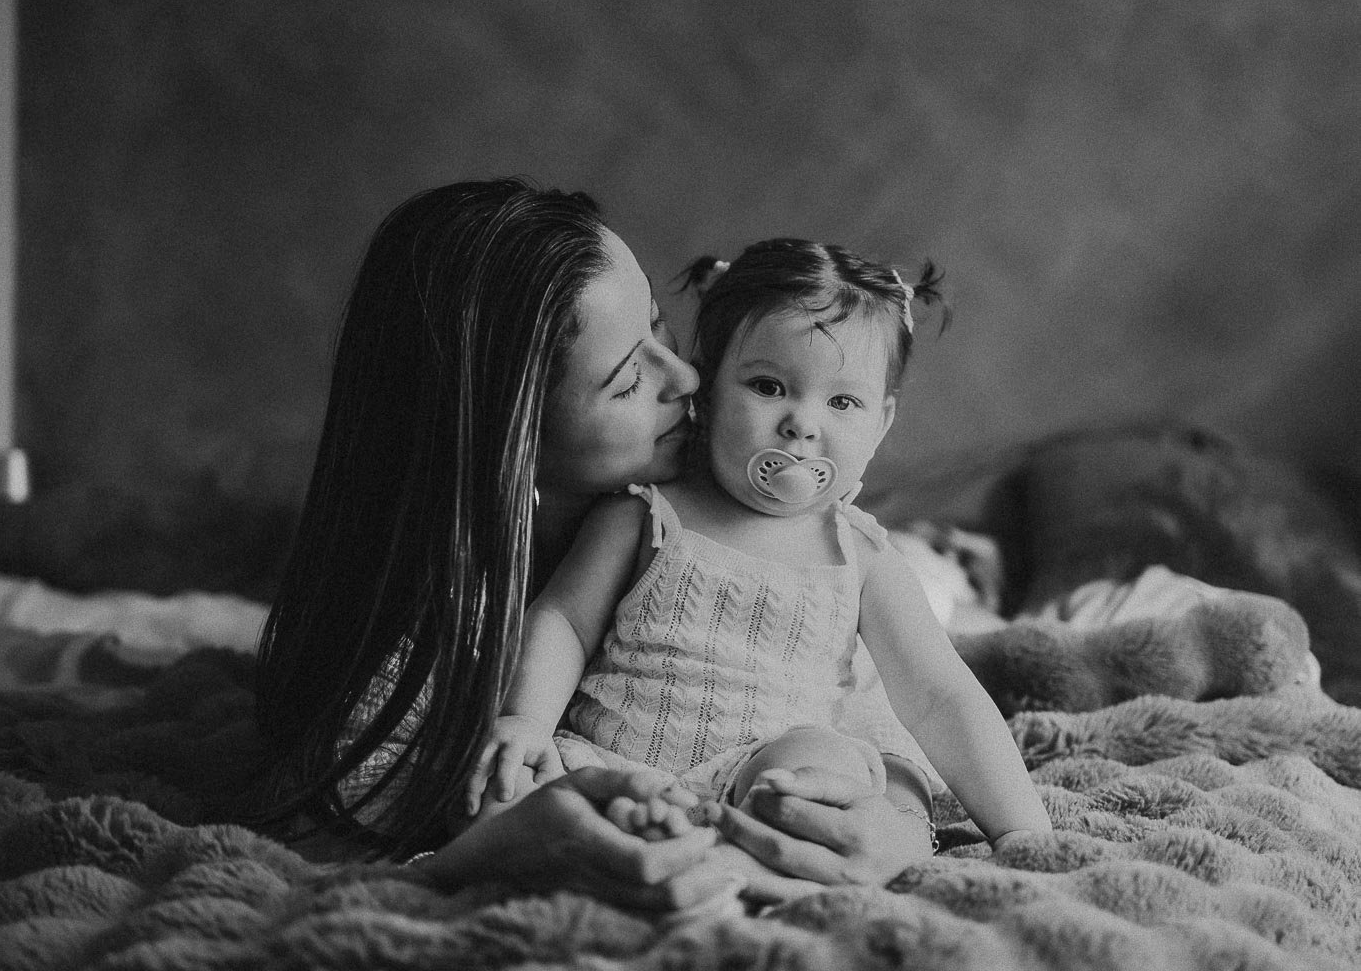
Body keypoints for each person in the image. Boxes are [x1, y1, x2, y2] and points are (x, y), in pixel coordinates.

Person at [253, 180, 925, 910]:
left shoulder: (732, 512)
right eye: (631, 379)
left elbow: (870, 698)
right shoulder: (415, 648)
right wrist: (493, 850)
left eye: (661, 329)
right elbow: (342, 828)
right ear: (507, 440)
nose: (691, 376)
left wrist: (903, 824)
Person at [468, 238, 1052, 881]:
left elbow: (942, 698)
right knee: (509, 794)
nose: (801, 424)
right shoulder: (644, 512)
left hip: (764, 769)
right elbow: (562, 623)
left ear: (881, 423)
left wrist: (1024, 834)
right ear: (708, 390)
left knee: (822, 764)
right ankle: (652, 846)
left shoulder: (859, 556)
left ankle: (757, 847)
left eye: (842, 402)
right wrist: (524, 721)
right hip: (614, 765)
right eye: (769, 386)